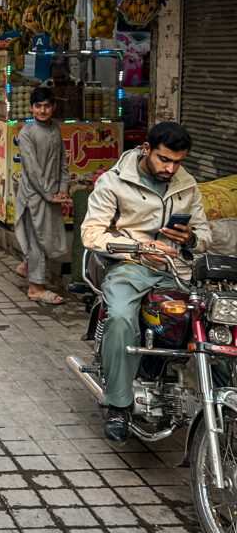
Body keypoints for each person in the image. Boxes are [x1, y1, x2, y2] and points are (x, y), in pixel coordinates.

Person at [81, 121, 212, 442]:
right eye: (164, 159)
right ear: (146, 149)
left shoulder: (187, 184)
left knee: (213, 321)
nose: (171, 168)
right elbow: (91, 233)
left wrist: (190, 237)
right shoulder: (114, 181)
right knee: (122, 317)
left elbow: (205, 236)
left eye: (178, 162)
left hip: (177, 270)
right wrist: (140, 247)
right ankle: (118, 404)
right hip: (129, 266)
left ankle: (221, 398)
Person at [14, 87, 70, 305]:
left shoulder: (55, 128)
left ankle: (26, 266)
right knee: (37, 239)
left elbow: (62, 161)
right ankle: (35, 288)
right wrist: (48, 194)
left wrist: (62, 188)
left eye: (47, 106)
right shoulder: (27, 133)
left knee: (43, 235)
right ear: (31, 108)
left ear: (53, 107)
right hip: (34, 196)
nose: (43, 110)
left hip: (52, 194)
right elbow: (32, 170)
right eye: (38, 106)